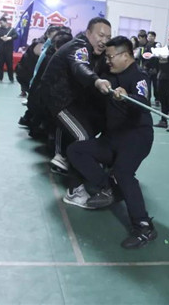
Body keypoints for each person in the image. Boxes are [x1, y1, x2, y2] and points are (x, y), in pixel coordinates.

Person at [67, 36, 157, 249]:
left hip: (137, 137)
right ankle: (109, 188)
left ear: (125, 55)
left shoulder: (139, 76)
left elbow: (143, 100)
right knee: (76, 150)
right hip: (113, 138)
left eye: (111, 57)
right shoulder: (108, 75)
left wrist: (127, 96)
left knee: (123, 173)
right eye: (106, 57)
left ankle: (144, 227)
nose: (108, 61)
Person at [40, 17, 111, 195]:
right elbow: (80, 66)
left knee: (94, 125)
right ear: (88, 33)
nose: (104, 41)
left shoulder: (96, 52)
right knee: (83, 140)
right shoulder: (80, 47)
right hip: (59, 100)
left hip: (73, 99)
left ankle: (65, 156)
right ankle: (76, 190)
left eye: (108, 37)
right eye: (100, 35)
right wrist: (96, 81)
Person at [0, 16, 18, 82]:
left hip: (8, 51)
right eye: (0, 23)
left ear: (6, 22)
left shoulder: (11, 29)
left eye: (1, 23)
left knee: (9, 65)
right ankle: (0, 78)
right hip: (0, 51)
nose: (0, 24)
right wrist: (2, 38)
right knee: (0, 65)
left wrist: (9, 38)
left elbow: (16, 35)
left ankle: (11, 78)